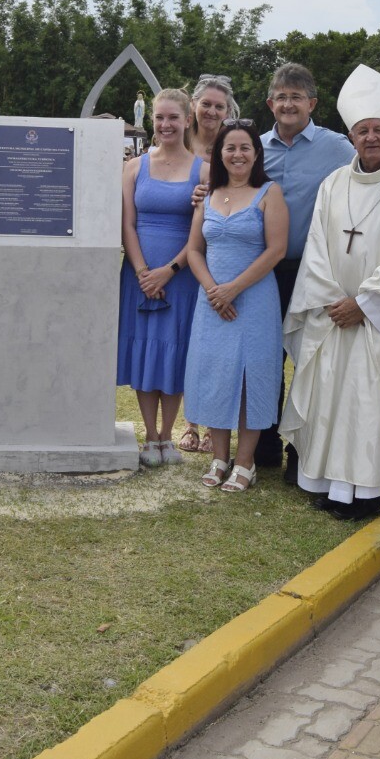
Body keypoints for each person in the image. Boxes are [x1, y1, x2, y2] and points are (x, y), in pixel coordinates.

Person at [281, 65, 380, 520]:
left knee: (369, 406)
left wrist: (365, 304)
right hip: (333, 315)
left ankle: (367, 493)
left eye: (379, 130)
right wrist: (335, 301)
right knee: (329, 398)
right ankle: (325, 484)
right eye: (362, 130)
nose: (371, 137)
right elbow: (316, 249)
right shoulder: (334, 184)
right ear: (351, 136)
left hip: (378, 323)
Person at [181, 118, 288, 491]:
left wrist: (234, 289)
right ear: (219, 153)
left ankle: (245, 463)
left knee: (249, 377)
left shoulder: (269, 192)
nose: (237, 154)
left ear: (256, 153)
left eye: (245, 147)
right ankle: (218, 458)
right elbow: (195, 249)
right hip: (211, 302)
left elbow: (277, 249)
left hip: (254, 300)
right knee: (215, 373)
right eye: (230, 147)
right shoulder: (208, 195)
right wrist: (214, 289)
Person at [117, 88, 203, 465]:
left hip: (181, 277)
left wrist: (168, 272)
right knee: (144, 350)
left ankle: (168, 435)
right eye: (159, 118)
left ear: (187, 121)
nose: (165, 124)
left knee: (175, 352)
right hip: (137, 275)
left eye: (173, 118)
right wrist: (141, 272)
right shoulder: (134, 167)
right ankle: (149, 436)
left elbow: (201, 232)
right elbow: (127, 224)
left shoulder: (205, 170)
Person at [177, 73, 240, 456]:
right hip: (176, 250)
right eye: (207, 104)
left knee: (212, 344)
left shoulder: (236, 146)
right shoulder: (177, 141)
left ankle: (217, 425)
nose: (213, 111)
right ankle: (189, 422)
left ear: (228, 110)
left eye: (220, 106)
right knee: (188, 341)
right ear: (194, 107)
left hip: (215, 254)